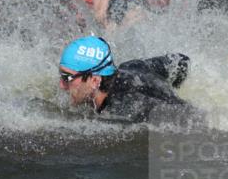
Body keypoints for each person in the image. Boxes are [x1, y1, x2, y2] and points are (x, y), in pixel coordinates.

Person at [57, 35, 191, 123]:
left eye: (67, 78)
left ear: (95, 81)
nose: (61, 85)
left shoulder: (127, 108)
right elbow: (181, 61)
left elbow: (188, 117)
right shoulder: (130, 66)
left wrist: (173, 96)